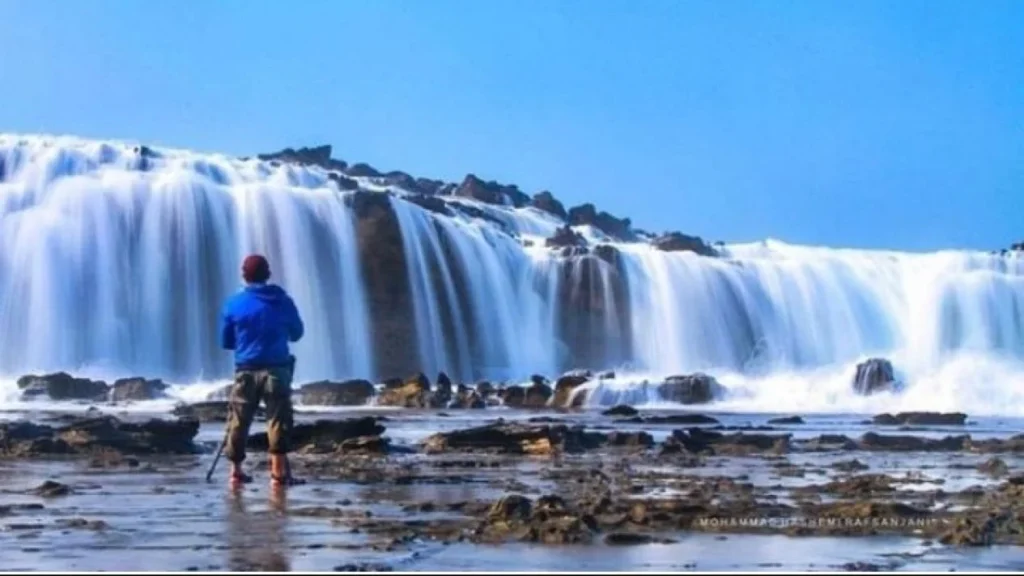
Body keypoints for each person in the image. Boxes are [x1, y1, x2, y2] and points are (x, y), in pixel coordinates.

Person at [219, 253, 306, 488]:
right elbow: (297, 333)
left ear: (244, 276)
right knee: (278, 419)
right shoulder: (283, 301)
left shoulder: (233, 304)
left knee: (239, 420)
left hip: (245, 370)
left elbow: (226, 342)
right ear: (268, 275)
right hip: (277, 369)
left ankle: (235, 472)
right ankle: (278, 474)